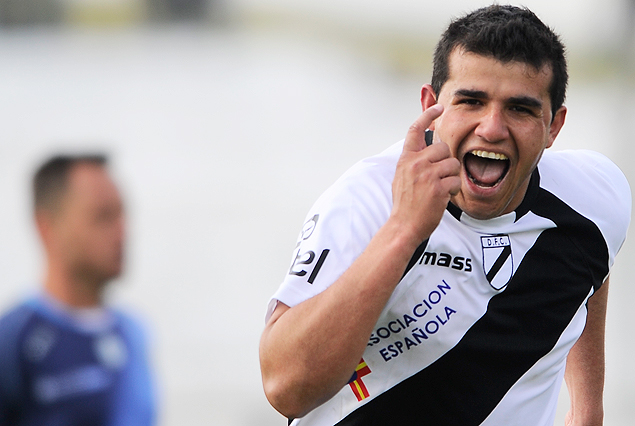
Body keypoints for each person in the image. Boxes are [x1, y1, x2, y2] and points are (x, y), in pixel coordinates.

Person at [259, 5, 631, 426]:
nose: (492, 128)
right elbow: (285, 389)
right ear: (431, 106)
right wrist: (404, 231)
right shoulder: (364, 203)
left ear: (554, 127)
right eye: (471, 101)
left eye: (520, 109)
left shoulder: (596, 195)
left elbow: (595, 259)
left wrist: (586, 407)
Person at [0, 155, 156, 426]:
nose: (122, 232)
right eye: (102, 216)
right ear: (47, 227)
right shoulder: (13, 341)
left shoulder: (133, 331)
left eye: (121, 214)